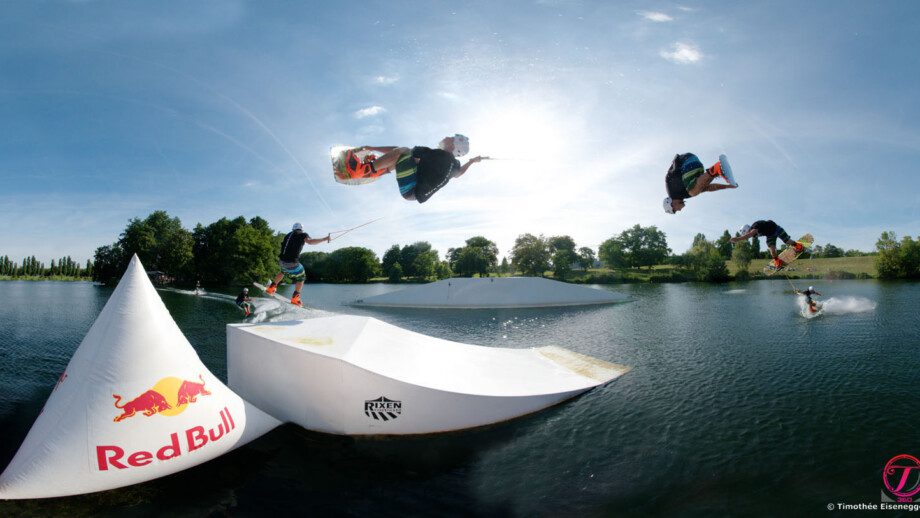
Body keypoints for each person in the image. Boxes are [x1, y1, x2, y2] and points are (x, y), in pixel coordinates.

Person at [349, 134, 484, 203]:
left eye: (452, 138)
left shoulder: (438, 154)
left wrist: (372, 148)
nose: (447, 137)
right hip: (413, 194)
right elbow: (459, 174)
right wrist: (471, 162)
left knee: (405, 151)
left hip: (411, 188)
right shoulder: (455, 165)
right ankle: (376, 170)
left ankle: (363, 169)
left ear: (453, 146)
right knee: (407, 157)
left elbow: (400, 152)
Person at [265, 223, 330, 306]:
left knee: (283, 271)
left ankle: (271, 288)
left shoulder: (287, 235)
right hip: (291, 263)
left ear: (293, 228)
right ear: (301, 229)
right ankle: (295, 298)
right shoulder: (302, 234)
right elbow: (310, 242)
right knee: (301, 277)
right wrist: (325, 238)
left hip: (281, 261)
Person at [663, 153, 737, 214]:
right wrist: (728, 186)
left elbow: (670, 174)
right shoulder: (683, 195)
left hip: (687, 162)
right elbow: (708, 188)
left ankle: (717, 168)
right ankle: (716, 171)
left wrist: (677, 160)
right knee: (698, 188)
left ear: (672, 204)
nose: (679, 210)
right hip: (694, 163)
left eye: (675, 210)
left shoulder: (672, 190)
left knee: (693, 191)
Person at [730, 220, 805, 269]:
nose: (746, 235)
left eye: (745, 233)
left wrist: (737, 239)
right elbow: (749, 235)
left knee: (787, 241)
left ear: (747, 230)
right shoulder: (752, 232)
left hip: (776, 229)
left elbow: (749, 235)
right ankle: (777, 261)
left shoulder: (754, 227)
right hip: (770, 235)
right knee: (772, 251)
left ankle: (798, 246)